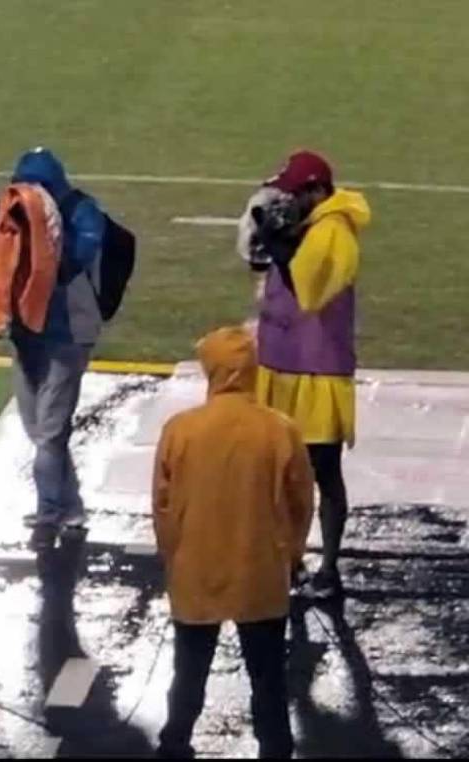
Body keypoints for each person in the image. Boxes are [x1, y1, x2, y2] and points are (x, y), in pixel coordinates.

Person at [152, 326, 315, 759]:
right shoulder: (279, 430)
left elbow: (163, 506)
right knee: (268, 676)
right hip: (259, 571)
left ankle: (175, 743)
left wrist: (173, 558)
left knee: (189, 671)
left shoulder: (180, 430)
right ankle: (274, 748)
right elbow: (301, 503)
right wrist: (291, 556)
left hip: (196, 568)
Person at [253, 150, 371, 599]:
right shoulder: (308, 224)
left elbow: (312, 289)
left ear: (318, 191)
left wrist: (282, 250)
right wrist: (265, 240)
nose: (287, 199)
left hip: (317, 370)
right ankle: (291, 561)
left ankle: (329, 568)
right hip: (281, 362)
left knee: (322, 471)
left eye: (294, 192)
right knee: (280, 473)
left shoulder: (336, 230)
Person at [5, 148, 106, 550]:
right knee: (40, 430)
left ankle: (48, 514)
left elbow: (72, 261)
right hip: (27, 332)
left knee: (48, 433)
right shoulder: (14, 209)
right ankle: (71, 508)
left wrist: (39, 233)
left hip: (67, 334)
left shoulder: (82, 212)